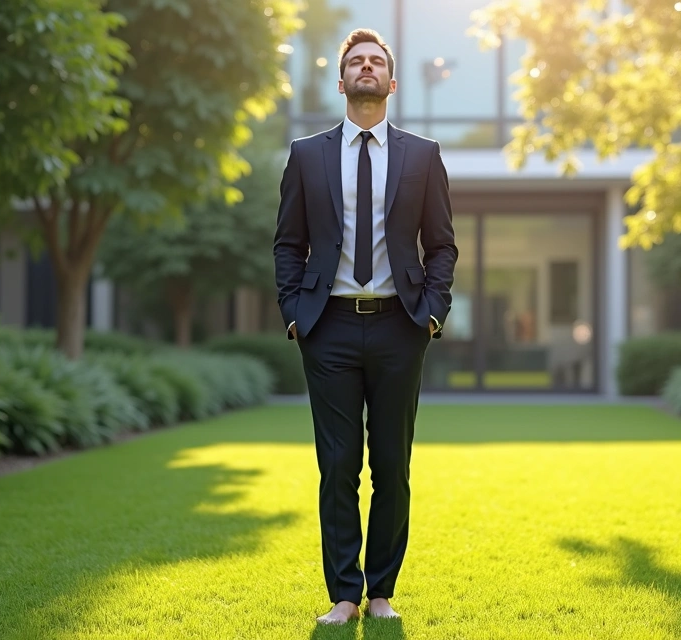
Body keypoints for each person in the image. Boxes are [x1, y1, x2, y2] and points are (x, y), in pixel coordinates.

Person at [272, 28, 458, 625]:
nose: (367, 68)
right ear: (343, 80)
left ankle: (382, 592)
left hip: (400, 327)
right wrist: (294, 313)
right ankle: (345, 596)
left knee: (392, 467)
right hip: (327, 329)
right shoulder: (306, 155)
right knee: (338, 467)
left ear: (392, 82)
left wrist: (431, 312)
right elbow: (287, 243)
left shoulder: (422, 155)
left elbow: (443, 245)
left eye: (377, 61)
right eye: (357, 62)